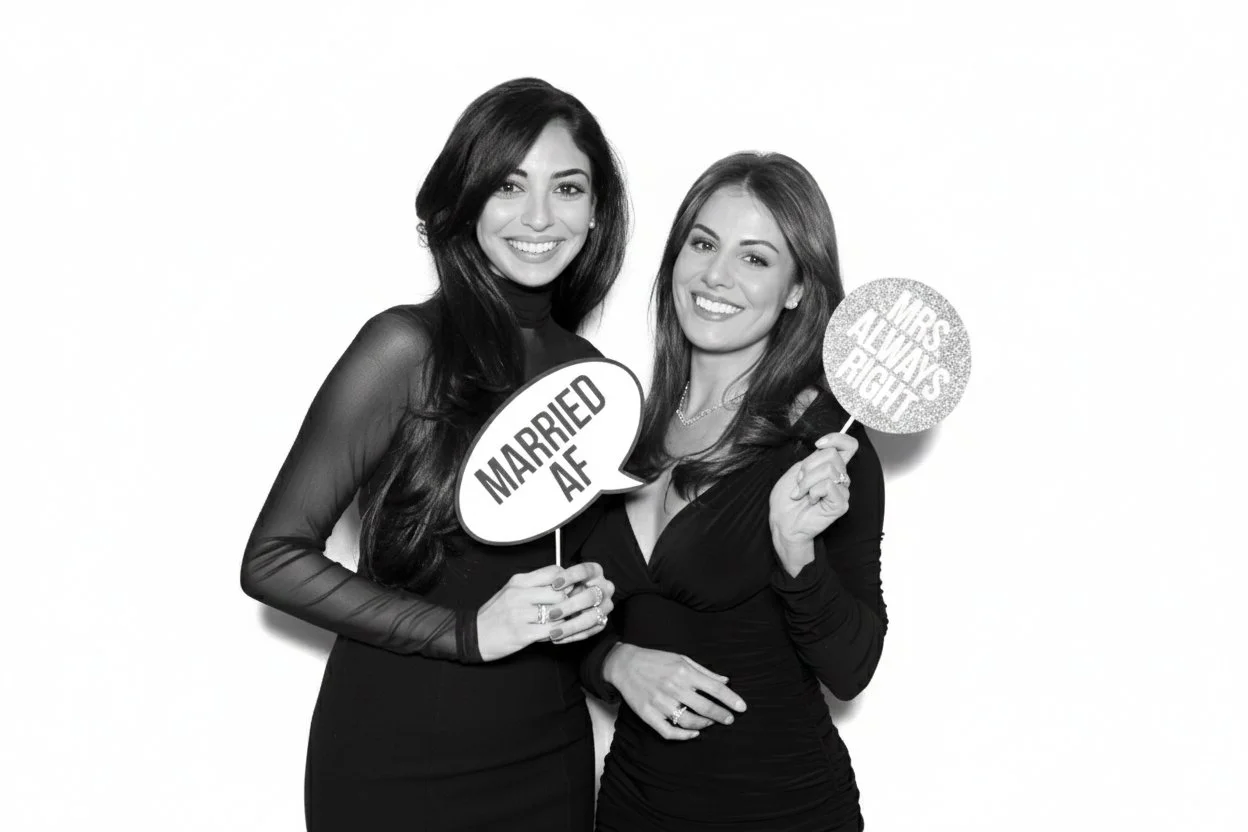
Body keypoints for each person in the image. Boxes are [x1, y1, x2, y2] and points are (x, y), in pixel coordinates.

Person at [240, 78, 628, 831]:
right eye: (509, 185)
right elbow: (272, 560)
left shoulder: (590, 376)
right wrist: (465, 632)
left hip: (546, 751)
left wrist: (587, 598)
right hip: (397, 753)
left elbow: (564, 563)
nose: (539, 216)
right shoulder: (405, 348)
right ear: (467, 199)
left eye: (567, 188)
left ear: (595, 212)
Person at [578, 152, 887, 831]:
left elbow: (852, 669)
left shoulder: (823, 447)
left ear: (797, 289)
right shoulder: (622, 429)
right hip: (632, 807)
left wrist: (796, 553)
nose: (716, 275)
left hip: (785, 811)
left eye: (754, 258)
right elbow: (571, 617)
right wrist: (614, 661)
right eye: (702, 244)